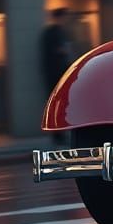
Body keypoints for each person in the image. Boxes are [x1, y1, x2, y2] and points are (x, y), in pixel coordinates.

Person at [40, 8, 73, 143]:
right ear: (60, 17)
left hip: (55, 73)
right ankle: (58, 135)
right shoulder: (53, 32)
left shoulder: (53, 32)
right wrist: (66, 50)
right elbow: (60, 50)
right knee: (57, 104)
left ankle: (59, 134)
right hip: (56, 74)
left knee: (58, 104)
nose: (66, 20)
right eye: (65, 17)